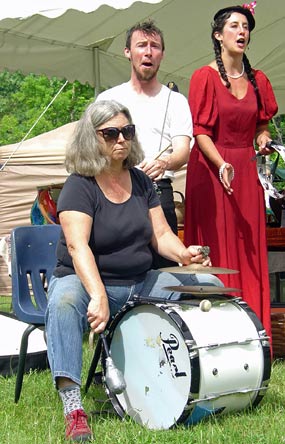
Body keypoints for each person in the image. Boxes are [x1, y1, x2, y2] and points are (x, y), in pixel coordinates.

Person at [45, 100, 221, 442]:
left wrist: (185, 254)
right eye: (110, 133)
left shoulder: (141, 182)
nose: (120, 139)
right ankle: (73, 407)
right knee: (64, 302)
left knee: (207, 284)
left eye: (127, 131)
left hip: (141, 282)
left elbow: (161, 236)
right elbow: (76, 247)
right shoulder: (80, 185)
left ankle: (205, 382)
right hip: (90, 282)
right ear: (91, 138)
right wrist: (97, 295)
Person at [184, 4, 278, 341]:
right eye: (235, 26)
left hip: (245, 170)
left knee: (249, 249)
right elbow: (200, 131)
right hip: (211, 168)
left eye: (246, 27)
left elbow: (261, 126)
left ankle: (252, 334)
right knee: (216, 247)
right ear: (218, 34)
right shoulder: (204, 77)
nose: (242, 32)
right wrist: (221, 162)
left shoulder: (259, 80)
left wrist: (263, 141)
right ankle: (213, 334)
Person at [96, 19, 193, 269]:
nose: (148, 52)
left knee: (165, 272)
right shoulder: (107, 98)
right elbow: (94, 146)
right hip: (114, 191)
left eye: (155, 46)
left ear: (162, 54)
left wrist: (165, 162)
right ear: (127, 52)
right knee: (116, 269)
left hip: (159, 192)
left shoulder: (176, 101)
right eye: (141, 45)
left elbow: (183, 150)